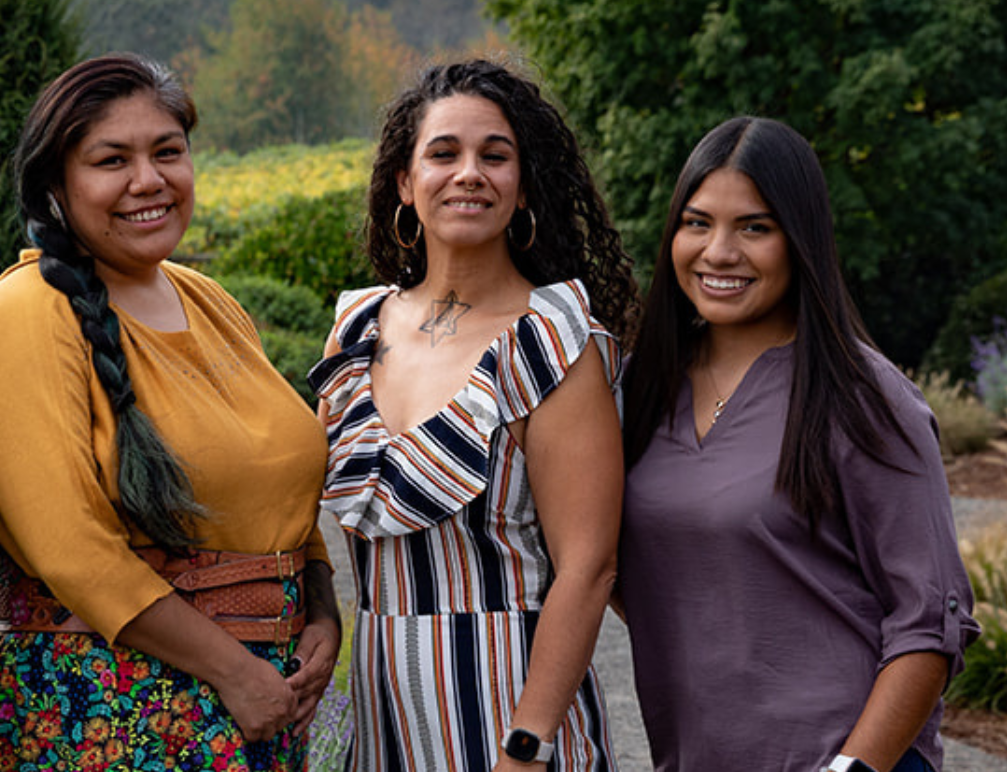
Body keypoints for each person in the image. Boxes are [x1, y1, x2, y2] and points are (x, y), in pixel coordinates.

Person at [0, 53, 341, 771]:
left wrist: (321, 611)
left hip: (264, 699)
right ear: (56, 185)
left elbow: (280, 482)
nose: (148, 181)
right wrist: (236, 670)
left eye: (167, 151)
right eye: (110, 159)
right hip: (111, 707)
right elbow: (70, 547)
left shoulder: (208, 299)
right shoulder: (27, 311)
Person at [618, 116, 980, 772]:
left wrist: (852, 768)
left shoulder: (865, 398)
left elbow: (929, 619)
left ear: (800, 239)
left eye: (755, 227)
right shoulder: (642, 388)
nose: (719, 251)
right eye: (697, 222)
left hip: (845, 761)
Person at [308, 57, 640, 771]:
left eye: (496, 155)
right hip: (382, 710)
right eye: (443, 153)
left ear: (523, 189)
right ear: (404, 180)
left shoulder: (554, 341)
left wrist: (526, 744)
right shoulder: (355, 329)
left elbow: (589, 566)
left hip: (511, 714)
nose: (469, 173)